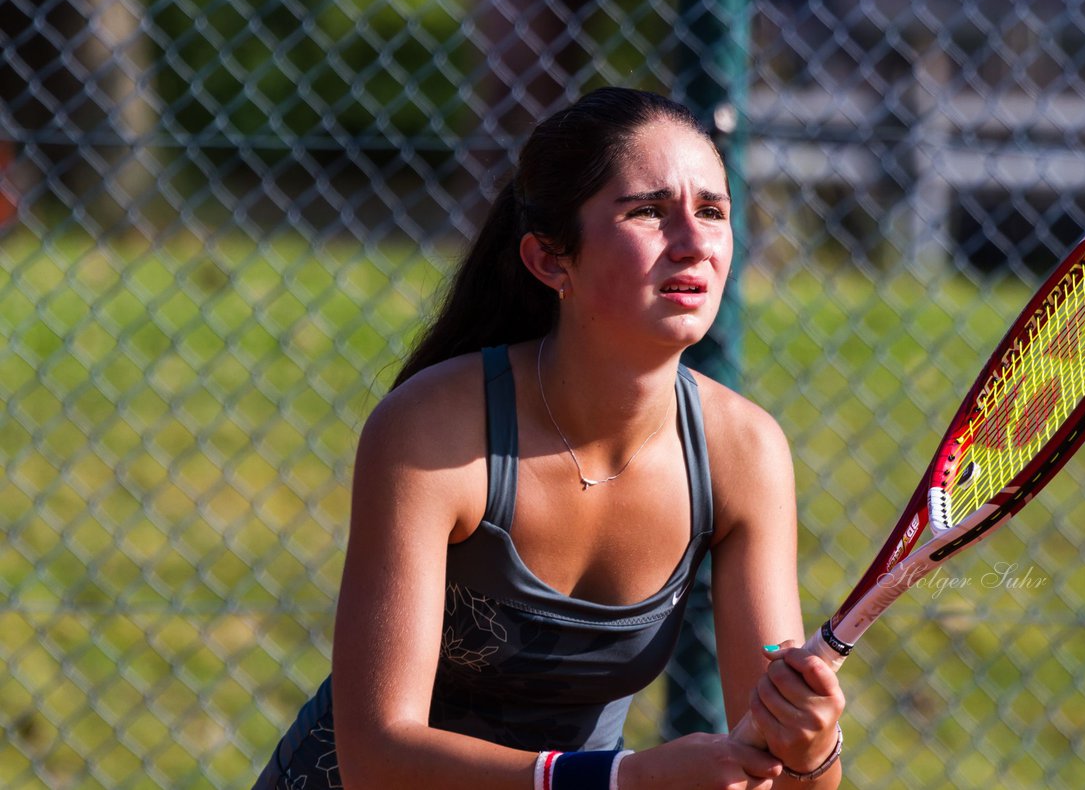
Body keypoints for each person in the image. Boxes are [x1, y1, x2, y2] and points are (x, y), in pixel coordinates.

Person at [254, 87, 846, 789]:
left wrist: (811, 750)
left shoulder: (744, 450)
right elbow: (377, 756)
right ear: (549, 261)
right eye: (649, 212)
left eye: (712, 211)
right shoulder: (430, 431)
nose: (693, 242)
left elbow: (782, 775)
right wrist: (619, 781)